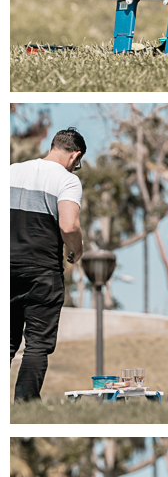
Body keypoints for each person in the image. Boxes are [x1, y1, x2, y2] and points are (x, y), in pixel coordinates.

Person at [11, 127, 86, 402]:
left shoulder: (11, 170)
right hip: (41, 270)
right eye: (78, 164)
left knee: (6, 342)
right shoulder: (67, 180)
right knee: (37, 343)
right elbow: (69, 225)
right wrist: (76, 249)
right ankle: (25, 404)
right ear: (75, 155)